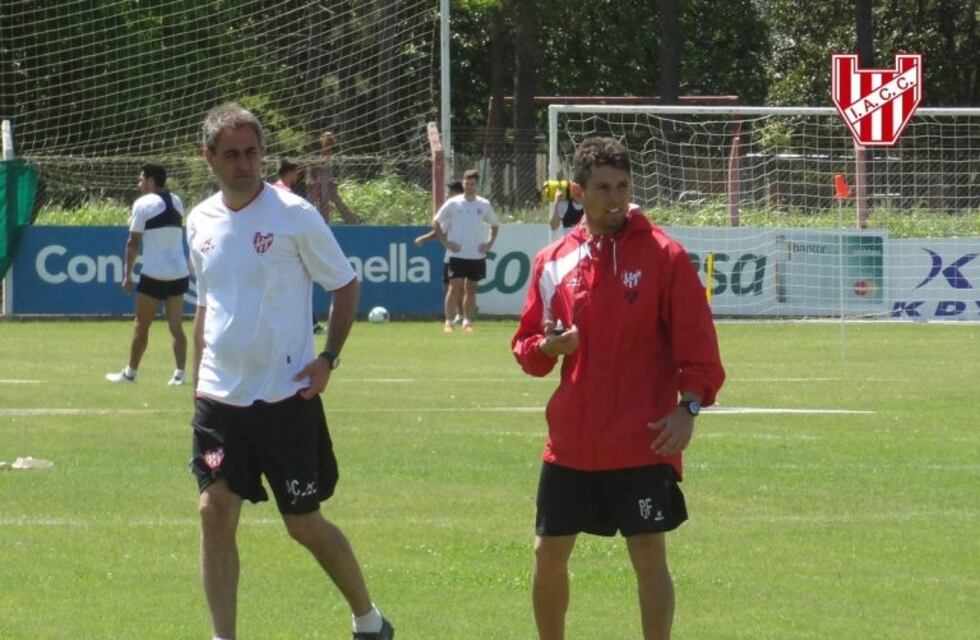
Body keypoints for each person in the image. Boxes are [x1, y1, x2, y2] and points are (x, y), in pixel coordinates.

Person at [186, 103, 394, 640]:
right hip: (219, 399)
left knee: (303, 523)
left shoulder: (295, 214)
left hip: (285, 398)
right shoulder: (199, 220)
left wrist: (328, 360)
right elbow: (207, 305)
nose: (243, 164)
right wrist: (196, 380)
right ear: (209, 157)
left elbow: (345, 286)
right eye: (231, 154)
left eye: (251, 152)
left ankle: (369, 620)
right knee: (214, 510)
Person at [511, 137, 725, 640]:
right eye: (603, 187)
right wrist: (548, 349)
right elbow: (526, 347)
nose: (616, 198)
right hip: (570, 443)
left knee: (649, 557)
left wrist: (689, 407)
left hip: (642, 438)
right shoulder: (552, 261)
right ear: (579, 192)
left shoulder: (664, 254)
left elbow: (700, 348)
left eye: (623, 187)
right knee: (547, 554)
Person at [105, 163, 189, 385]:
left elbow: (132, 242)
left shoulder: (143, 203)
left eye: (141, 179)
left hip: (155, 274)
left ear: (151, 181)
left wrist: (127, 275)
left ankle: (130, 373)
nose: (138, 183)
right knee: (176, 327)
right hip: (179, 273)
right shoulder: (177, 201)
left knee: (141, 325)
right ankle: (180, 375)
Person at [431, 169, 499, 332]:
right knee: (454, 287)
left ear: (477, 185)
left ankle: (467, 321)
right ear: (463, 184)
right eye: (466, 184)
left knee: (471, 289)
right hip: (457, 254)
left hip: (476, 255)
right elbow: (436, 222)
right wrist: (446, 242)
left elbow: (494, 225)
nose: (469, 187)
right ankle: (448, 321)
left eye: (472, 184)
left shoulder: (483, 204)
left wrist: (489, 243)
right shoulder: (453, 203)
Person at [414, 180, 465, 324]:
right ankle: (460, 316)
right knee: (454, 287)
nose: (448, 195)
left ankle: (459, 316)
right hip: (453, 254)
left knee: (453, 287)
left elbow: (438, 231)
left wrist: (423, 238)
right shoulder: (455, 209)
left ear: (457, 193)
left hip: (456, 255)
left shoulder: (454, 210)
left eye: (450, 192)